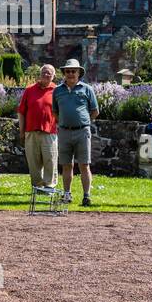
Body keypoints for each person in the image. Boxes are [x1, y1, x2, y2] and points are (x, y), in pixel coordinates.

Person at [52, 59, 99, 206]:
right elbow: (55, 112)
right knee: (66, 165)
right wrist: (64, 122)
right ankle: (67, 195)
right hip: (64, 132)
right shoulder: (57, 90)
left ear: (79, 73)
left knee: (84, 165)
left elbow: (95, 111)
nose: (71, 73)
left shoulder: (87, 89)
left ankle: (86, 196)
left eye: (73, 71)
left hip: (82, 132)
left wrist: (84, 122)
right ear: (64, 73)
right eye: (68, 71)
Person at [17, 64, 58, 192]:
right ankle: (37, 187)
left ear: (53, 76)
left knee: (50, 160)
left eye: (49, 73)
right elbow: (21, 112)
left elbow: (61, 111)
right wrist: (22, 131)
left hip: (49, 132)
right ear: (40, 74)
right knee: (33, 162)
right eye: (44, 72)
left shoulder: (57, 90)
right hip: (31, 132)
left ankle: (49, 187)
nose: (46, 74)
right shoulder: (29, 90)